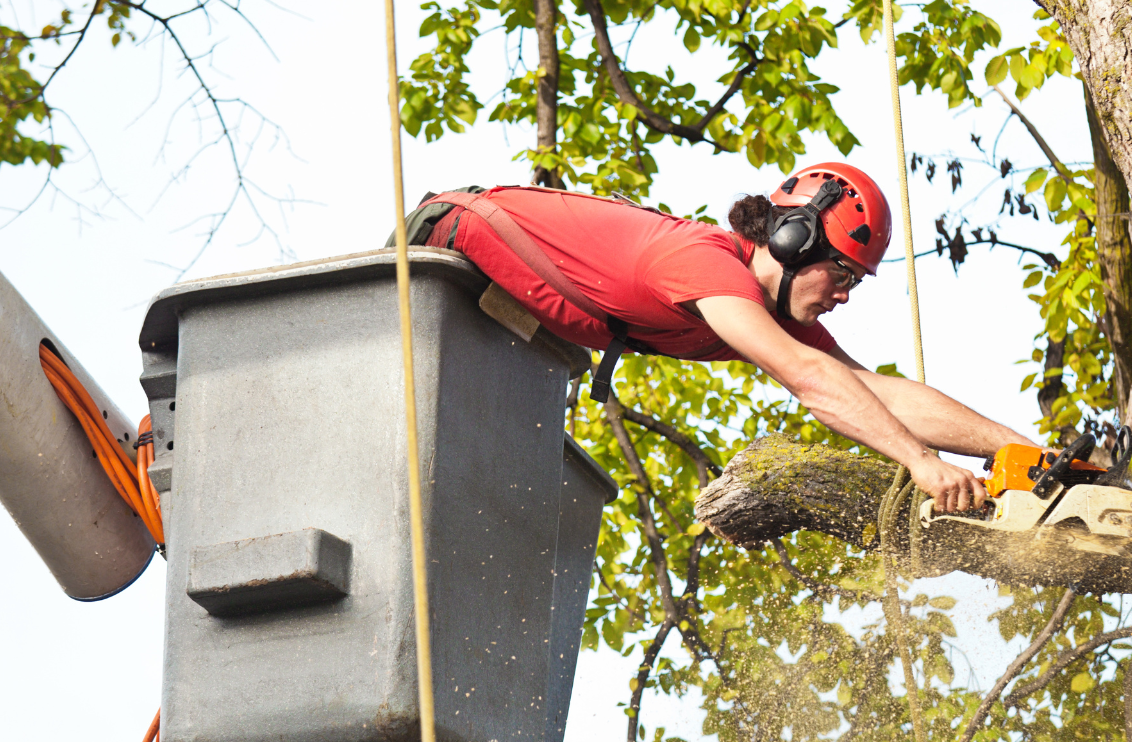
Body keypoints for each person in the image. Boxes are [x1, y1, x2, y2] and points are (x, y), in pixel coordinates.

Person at [396, 162, 1037, 512]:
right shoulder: (702, 265)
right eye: (841, 275)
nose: (843, 296)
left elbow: (873, 391)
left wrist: (1016, 450)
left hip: (490, 315)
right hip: (434, 257)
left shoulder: (762, 306)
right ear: (792, 240)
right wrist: (921, 464)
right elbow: (811, 381)